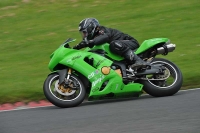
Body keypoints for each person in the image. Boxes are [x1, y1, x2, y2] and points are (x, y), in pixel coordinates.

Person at [73, 18, 148, 69]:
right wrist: (75, 48)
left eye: (85, 32)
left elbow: (105, 37)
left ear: (91, 28)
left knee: (113, 44)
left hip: (130, 43)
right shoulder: (94, 38)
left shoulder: (102, 30)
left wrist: (89, 42)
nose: (84, 35)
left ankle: (138, 61)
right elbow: (87, 44)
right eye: (83, 33)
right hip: (120, 51)